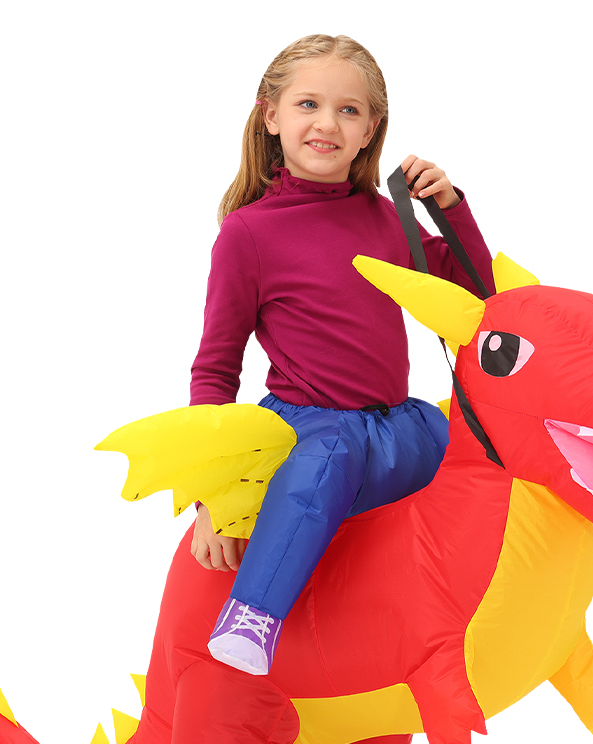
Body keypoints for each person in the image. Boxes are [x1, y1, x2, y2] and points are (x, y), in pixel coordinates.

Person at [188, 33, 494, 675]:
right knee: (323, 465)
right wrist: (211, 495)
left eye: (348, 110)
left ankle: (485, 602)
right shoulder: (248, 233)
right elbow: (216, 367)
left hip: (394, 423)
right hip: (312, 425)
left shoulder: (387, 217)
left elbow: (477, 293)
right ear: (271, 116)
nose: (327, 123)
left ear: (369, 130)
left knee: (470, 447)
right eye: (309, 104)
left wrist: (449, 208)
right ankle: (252, 615)